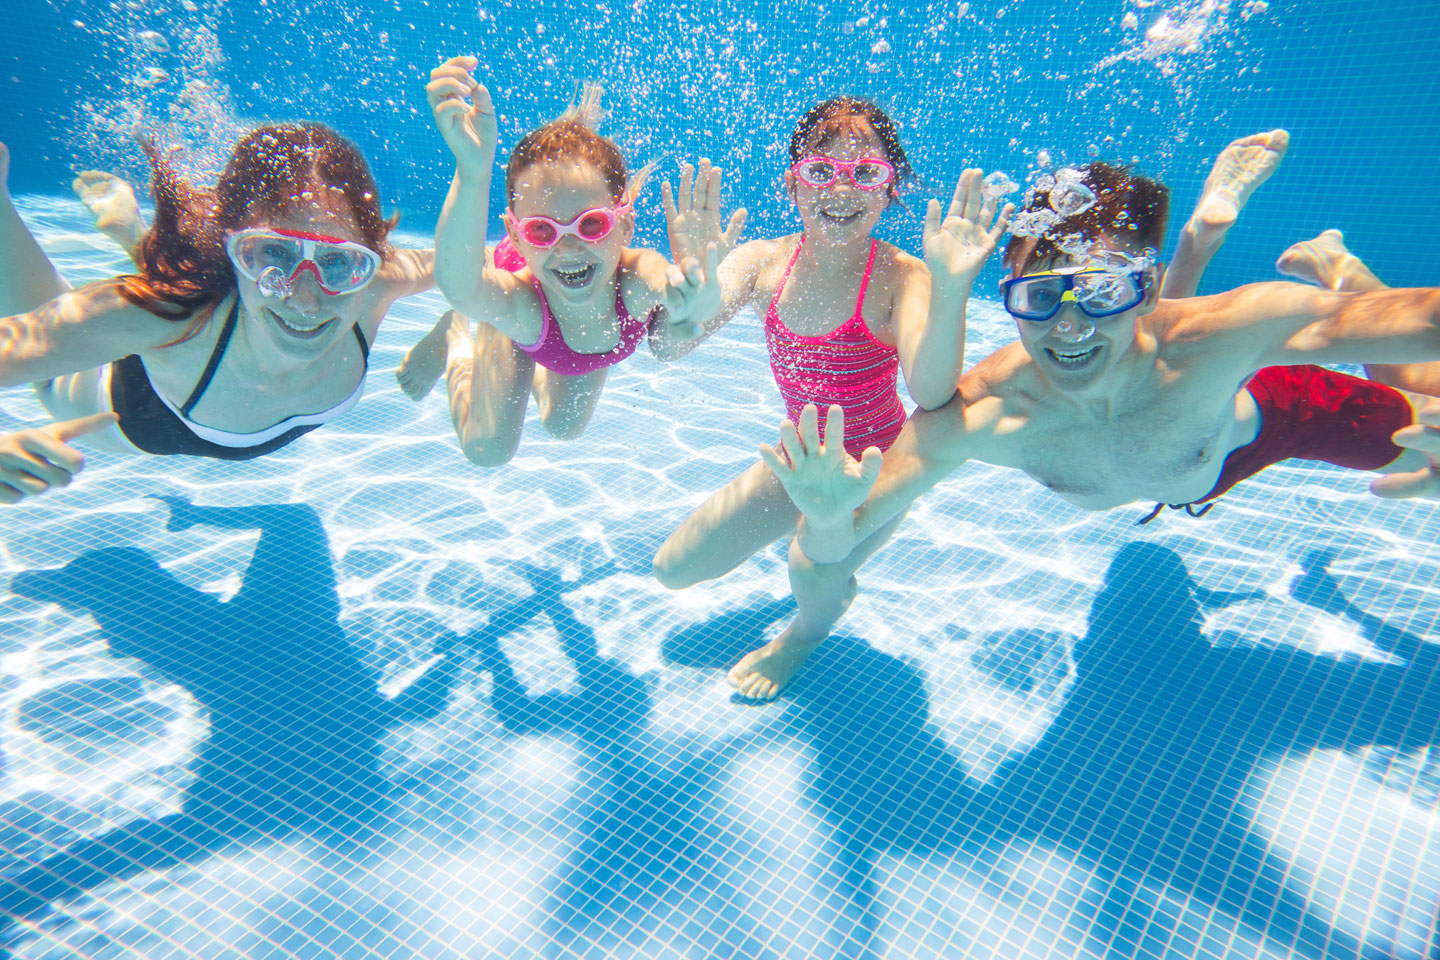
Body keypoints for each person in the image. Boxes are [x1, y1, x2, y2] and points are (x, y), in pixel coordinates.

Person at [739, 156, 1440, 702]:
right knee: (1144, 354)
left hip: (1263, 421)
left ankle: (1337, 267)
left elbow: (1423, 322)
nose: (1069, 327)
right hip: (1176, 433)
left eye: (1104, 290)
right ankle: (1197, 245)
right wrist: (828, 520)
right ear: (1009, 298)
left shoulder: (1222, 336)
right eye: (1041, 297)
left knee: (1419, 390)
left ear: (1146, 286)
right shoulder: (990, 412)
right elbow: (822, 553)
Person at [652, 96, 1013, 596]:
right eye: (822, 169)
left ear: (888, 190)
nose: (842, 188)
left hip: (878, 467)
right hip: (802, 458)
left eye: (865, 172)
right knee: (674, 568)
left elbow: (932, 395)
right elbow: (666, 350)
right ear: (792, 184)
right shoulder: (761, 263)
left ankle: (804, 635)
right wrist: (689, 307)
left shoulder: (899, 278)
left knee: (812, 569)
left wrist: (951, 290)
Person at [0, 127, 435, 503]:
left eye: (339, 261)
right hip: (114, 408)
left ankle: (133, 233)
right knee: (52, 336)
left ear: (371, 257)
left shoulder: (375, 283)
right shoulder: (164, 317)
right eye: (273, 254)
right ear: (234, 250)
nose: (307, 301)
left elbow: (479, 263)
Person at [394, 57, 731, 465]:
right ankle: (457, 341)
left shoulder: (635, 278)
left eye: (590, 225)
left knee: (563, 427)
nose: (568, 248)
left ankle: (507, 340)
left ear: (625, 228)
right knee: (488, 449)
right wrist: (472, 169)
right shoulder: (524, 305)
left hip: (562, 343)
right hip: (524, 316)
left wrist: (690, 291)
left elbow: (665, 288)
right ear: (517, 236)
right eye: (542, 230)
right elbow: (459, 285)